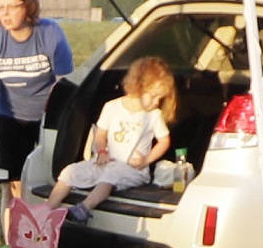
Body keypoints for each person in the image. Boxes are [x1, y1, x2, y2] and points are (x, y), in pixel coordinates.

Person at [0, 0, 72, 188]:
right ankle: (12, 220)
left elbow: (65, 82)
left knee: (48, 180)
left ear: (28, 7)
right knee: (12, 185)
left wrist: (52, 109)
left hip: (47, 119)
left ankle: (43, 218)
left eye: (12, 7)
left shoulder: (50, 33)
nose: (5, 14)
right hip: (10, 118)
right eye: (1, 8)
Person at [50, 55, 176, 214]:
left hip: (133, 169)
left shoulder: (153, 115)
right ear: (138, 86)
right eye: (153, 96)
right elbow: (100, 135)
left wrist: (146, 160)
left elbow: (164, 141)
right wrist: (102, 152)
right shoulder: (112, 107)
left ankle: (84, 208)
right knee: (70, 171)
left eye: (160, 98)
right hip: (107, 162)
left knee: (110, 175)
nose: (157, 102)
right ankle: (47, 208)